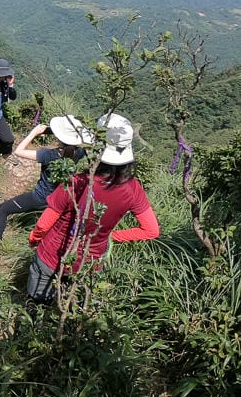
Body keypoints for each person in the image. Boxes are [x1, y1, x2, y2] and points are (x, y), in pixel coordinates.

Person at [25, 112, 160, 303]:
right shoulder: (133, 188)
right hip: (88, 265)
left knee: (37, 305)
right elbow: (151, 230)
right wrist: (110, 236)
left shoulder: (77, 182)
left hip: (51, 256)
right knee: (72, 308)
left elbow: (44, 224)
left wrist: (34, 238)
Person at [0, 114, 94, 254]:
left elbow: (18, 151)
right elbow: (89, 140)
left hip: (41, 198)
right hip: (61, 198)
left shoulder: (49, 155)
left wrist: (34, 133)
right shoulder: (78, 152)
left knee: (2, 209)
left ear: (59, 137)